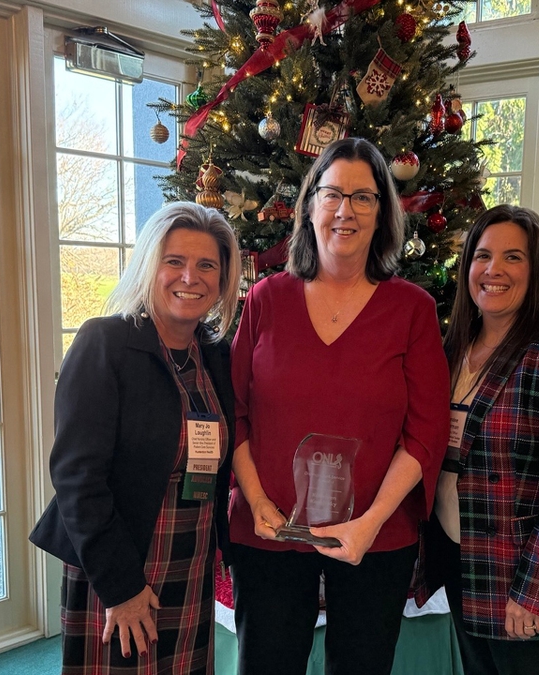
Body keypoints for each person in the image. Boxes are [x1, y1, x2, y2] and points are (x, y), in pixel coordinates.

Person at [228, 138, 449, 675]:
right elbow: (233, 411)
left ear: (383, 213)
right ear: (309, 206)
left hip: (375, 536)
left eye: (363, 197)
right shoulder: (265, 300)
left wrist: (371, 522)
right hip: (271, 531)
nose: (345, 210)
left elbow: (426, 431)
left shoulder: (412, 310)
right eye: (331, 194)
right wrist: (256, 501)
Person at [30, 202, 241, 674]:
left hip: (190, 562)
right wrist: (121, 587)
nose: (191, 277)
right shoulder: (105, 343)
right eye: (174, 261)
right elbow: (76, 478)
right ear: (150, 265)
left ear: (223, 278)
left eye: (207, 265)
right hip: (119, 564)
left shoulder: (216, 356)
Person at [416, 205, 539, 675]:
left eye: (513, 257)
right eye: (482, 256)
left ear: (537, 268)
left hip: (519, 570)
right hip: (460, 557)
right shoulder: (452, 346)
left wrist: (534, 589)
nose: (493, 270)